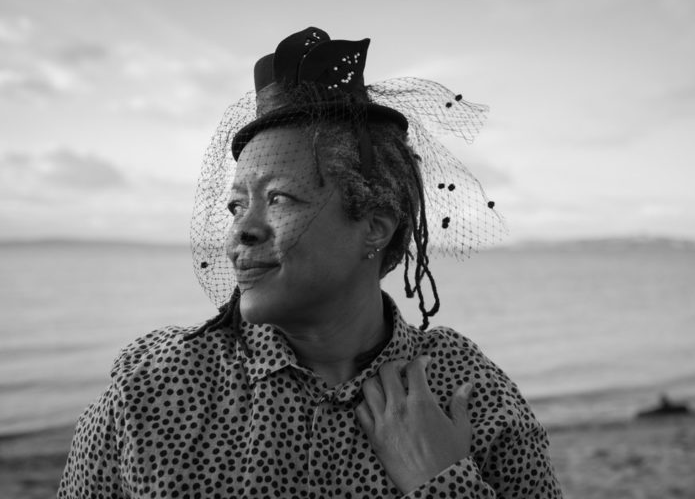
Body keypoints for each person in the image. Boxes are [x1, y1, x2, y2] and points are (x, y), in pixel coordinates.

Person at [58, 27, 562, 498]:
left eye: (279, 199)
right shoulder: (151, 394)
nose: (241, 231)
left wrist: (441, 482)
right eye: (237, 205)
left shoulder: (466, 394)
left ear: (374, 226)